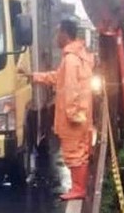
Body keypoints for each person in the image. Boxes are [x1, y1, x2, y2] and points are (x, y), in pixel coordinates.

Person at [22, 19, 95, 200]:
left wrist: (71, 114)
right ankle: (80, 187)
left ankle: (78, 188)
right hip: (83, 113)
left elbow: (70, 88)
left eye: (57, 33)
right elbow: (59, 78)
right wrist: (36, 77)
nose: (56, 37)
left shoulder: (70, 59)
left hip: (74, 116)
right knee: (81, 151)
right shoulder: (80, 56)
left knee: (74, 153)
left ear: (64, 33)